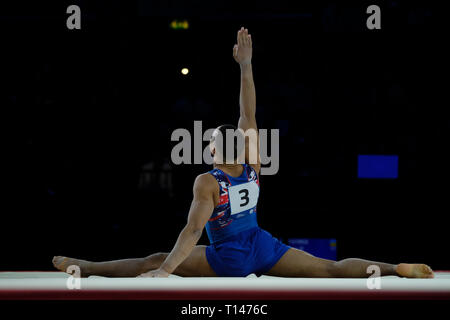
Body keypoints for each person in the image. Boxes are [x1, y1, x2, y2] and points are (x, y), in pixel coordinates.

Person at [53, 27, 433, 279]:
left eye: (210, 143)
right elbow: (248, 113)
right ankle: (395, 268)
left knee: (153, 258)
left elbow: (192, 230)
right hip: (263, 246)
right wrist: (247, 67)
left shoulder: (207, 180)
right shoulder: (252, 165)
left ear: (218, 149)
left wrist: (167, 270)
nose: (206, 145)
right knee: (331, 269)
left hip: (231, 256)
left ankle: (85, 267)